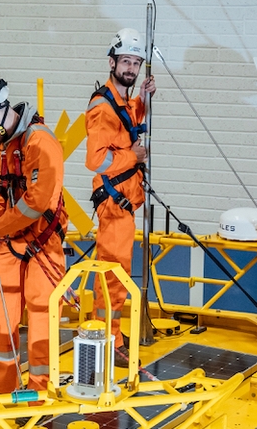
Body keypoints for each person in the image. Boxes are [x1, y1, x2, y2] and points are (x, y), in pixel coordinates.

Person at [0, 74, 67, 396]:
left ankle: (40, 393)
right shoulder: (4, 145)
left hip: (43, 241)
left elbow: (35, 204)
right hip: (12, 239)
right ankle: (4, 384)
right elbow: (4, 191)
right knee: (0, 313)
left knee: (42, 315)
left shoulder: (40, 143)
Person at [85, 28, 156, 368]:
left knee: (116, 273)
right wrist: (134, 157)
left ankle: (109, 334)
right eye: (126, 61)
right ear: (112, 62)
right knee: (113, 276)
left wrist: (142, 99)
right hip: (115, 202)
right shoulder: (102, 107)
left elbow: (126, 126)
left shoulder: (121, 100)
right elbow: (96, 160)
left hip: (123, 200)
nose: (131, 68)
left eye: (136, 63)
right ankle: (107, 340)